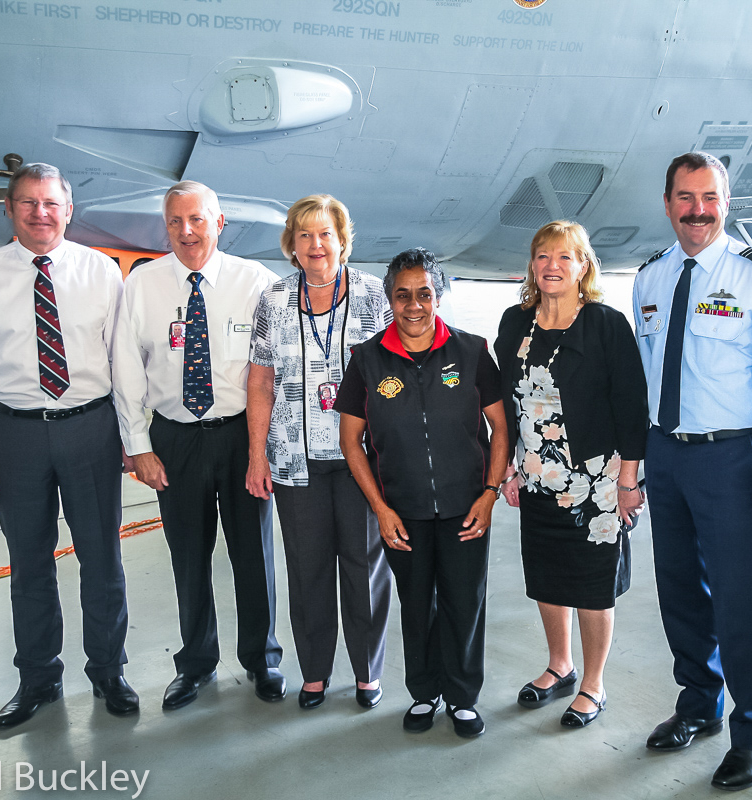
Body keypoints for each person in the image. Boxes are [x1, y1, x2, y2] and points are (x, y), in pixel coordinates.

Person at [632, 152, 752, 790]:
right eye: (685, 197)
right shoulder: (650, 278)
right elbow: (648, 375)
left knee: (739, 599)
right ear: (668, 202)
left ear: (725, 203)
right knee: (679, 589)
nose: (697, 210)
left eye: (709, 198)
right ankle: (698, 703)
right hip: (667, 452)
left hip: (732, 458)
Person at [0, 162, 137, 727]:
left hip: (90, 428)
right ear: (9, 210)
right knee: (29, 562)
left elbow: (122, 364)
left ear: (68, 210)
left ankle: (108, 671)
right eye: (27, 203)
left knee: (102, 557)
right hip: (16, 434)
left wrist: (132, 436)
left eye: (51, 203)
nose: (40, 213)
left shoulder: (101, 272)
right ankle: (37, 678)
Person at [112, 181, 284, 709]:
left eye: (197, 220)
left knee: (252, 555)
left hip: (241, 437)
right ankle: (197, 662)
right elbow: (125, 369)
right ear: (165, 227)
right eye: (175, 222)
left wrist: (267, 448)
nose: (186, 232)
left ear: (219, 222)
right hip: (175, 439)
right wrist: (138, 443)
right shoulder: (143, 285)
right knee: (188, 556)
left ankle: (262, 659)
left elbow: (278, 364)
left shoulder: (256, 282)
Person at [337, 248, 508, 738]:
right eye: (402, 295)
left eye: (424, 293)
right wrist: (380, 508)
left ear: (439, 295)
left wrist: (489, 493)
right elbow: (351, 440)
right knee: (416, 603)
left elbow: (499, 427)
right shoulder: (367, 360)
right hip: (403, 512)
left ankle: (461, 697)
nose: (414, 305)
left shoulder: (473, 352)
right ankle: (425, 693)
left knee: (463, 600)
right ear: (390, 298)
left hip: (466, 507)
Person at [494, 221, 647, 728]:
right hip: (536, 477)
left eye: (565, 256)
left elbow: (630, 408)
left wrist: (628, 483)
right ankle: (560, 666)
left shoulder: (605, 324)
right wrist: (512, 467)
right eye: (542, 256)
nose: (552, 266)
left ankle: (593, 684)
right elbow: (507, 403)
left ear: (584, 266)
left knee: (592, 584)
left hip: (596, 483)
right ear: (532, 267)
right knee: (547, 578)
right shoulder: (515, 323)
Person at [246, 195, 393, 710]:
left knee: (364, 565)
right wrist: (257, 456)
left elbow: (394, 376)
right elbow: (261, 381)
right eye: (305, 235)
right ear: (292, 244)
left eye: (325, 233)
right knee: (307, 568)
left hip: (362, 460)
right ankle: (314, 673)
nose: (315, 245)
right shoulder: (274, 300)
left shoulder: (375, 296)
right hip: (294, 458)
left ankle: (367, 672)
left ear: (342, 239)